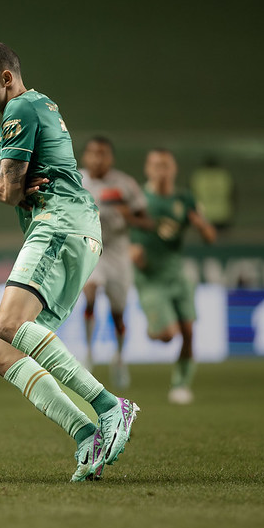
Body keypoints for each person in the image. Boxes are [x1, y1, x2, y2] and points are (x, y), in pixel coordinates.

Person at [0, 41, 140, 482]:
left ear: (6, 78)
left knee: (7, 323)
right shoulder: (33, 109)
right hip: (77, 231)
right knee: (4, 354)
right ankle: (86, 434)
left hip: (59, 224)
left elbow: (8, 191)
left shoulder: (20, 108)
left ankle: (109, 406)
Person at [130, 148, 217, 405]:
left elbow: (210, 237)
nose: (162, 171)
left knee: (188, 332)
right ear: (148, 169)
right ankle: (155, 328)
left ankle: (181, 385)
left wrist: (201, 225)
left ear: (174, 169)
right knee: (168, 335)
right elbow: (123, 231)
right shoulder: (139, 200)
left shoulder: (185, 199)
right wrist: (131, 251)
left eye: (166, 165)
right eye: (156, 165)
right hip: (150, 277)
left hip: (177, 274)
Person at [79, 136, 153, 389]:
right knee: (90, 292)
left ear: (110, 158)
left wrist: (128, 216)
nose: (97, 158)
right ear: (85, 156)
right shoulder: (76, 180)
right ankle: (88, 353)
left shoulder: (125, 184)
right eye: (93, 153)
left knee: (118, 314)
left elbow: (147, 222)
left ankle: (119, 358)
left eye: (103, 154)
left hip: (118, 254)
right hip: (91, 249)